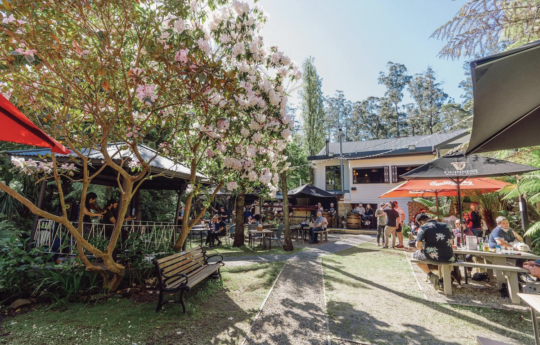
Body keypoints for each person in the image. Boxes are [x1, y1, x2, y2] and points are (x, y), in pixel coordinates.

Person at [413, 213, 456, 291]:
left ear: (422, 221)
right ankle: (443, 280)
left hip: (432, 256)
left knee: (415, 255)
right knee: (443, 260)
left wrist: (424, 249)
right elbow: (452, 243)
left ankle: (431, 275)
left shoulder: (423, 227)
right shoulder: (446, 226)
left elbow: (418, 246)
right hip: (449, 256)